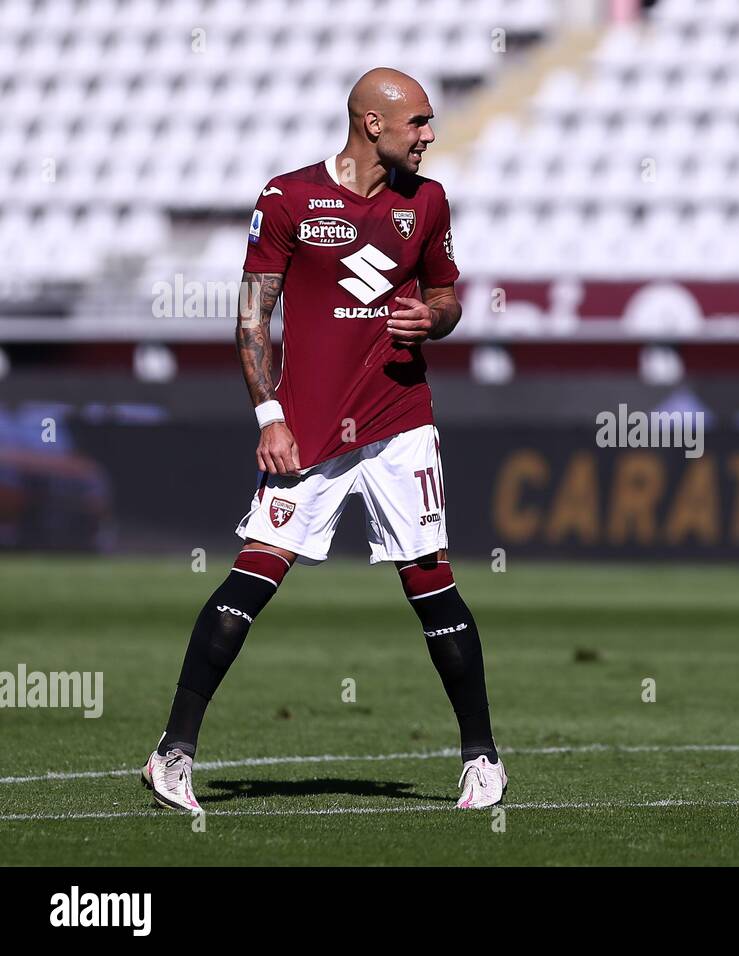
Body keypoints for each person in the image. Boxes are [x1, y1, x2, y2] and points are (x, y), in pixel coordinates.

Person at [142, 68, 506, 813]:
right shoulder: (288, 199)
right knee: (252, 578)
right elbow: (251, 319)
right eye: (419, 124)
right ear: (373, 124)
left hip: (400, 421)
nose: (430, 136)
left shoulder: (427, 201)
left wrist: (432, 320)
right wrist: (268, 416)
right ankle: (172, 753)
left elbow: (445, 296)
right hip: (305, 429)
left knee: (430, 580)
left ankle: (483, 759)